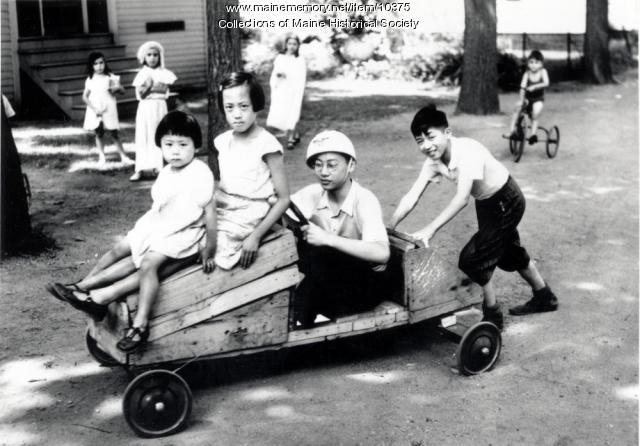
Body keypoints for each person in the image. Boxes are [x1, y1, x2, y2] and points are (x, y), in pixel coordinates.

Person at [46, 111, 216, 352]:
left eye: (182, 145)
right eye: (168, 145)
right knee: (122, 248)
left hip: (185, 233)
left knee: (147, 263)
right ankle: (83, 286)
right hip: (163, 225)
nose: (175, 151)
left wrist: (209, 249)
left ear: (196, 146)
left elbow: (210, 214)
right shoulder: (167, 171)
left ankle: (141, 324)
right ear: (160, 146)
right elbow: (161, 207)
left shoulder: (200, 172)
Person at [389, 104, 558, 330]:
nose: (426, 146)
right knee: (508, 251)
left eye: (430, 136)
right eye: (420, 141)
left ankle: (493, 316)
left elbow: (461, 200)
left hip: (506, 199)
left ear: (447, 133)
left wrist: (430, 229)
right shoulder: (433, 162)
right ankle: (545, 296)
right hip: (487, 202)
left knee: (473, 259)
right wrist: (389, 228)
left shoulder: (466, 152)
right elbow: (412, 196)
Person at [289, 130, 390, 328]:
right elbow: (283, 206)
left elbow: (382, 253)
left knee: (320, 252)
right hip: (336, 276)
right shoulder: (313, 193)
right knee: (301, 243)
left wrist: (327, 238)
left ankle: (306, 313)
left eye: (332, 165)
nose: (324, 172)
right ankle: (303, 308)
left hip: (367, 284)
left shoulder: (364, 200)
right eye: (318, 165)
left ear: (351, 165)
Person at [213, 71, 290, 269]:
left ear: (256, 105)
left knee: (210, 243)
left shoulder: (267, 145)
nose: (237, 114)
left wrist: (255, 237)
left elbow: (283, 199)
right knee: (183, 231)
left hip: (248, 215)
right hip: (223, 207)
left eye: (244, 106)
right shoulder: (223, 142)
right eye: (229, 107)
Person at [130, 41, 177, 182]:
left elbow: (165, 91)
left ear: (160, 57)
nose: (152, 58)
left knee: (160, 134)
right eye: (149, 55)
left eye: (155, 55)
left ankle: (160, 167)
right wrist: (150, 87)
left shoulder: (164, 74)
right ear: (144, 57)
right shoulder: (142, 74)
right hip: (146, 107)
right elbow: (141, 94)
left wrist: (155, 87)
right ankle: (140, 169)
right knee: (144, 135)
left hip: (160, 106)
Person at [82, 51, 132, 166]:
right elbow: (84, 97)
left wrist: (119, 87)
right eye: (95, 64)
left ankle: (124, 156)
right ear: (91, 66)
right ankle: (102, 157)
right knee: (99, 133)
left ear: (105, 63)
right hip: (96, 109)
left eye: (101, 63)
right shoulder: (90, 79)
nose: (99, 66)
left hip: (109, 108)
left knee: (114, 132)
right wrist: (94, 109)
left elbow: (122, 91)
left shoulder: (111, 77)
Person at [266, 35, 307, 150]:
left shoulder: (300, 60)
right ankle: (296, 134)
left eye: (295, 44)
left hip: (294, 89)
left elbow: (301, 76)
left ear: (298, 46)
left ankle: (291, 138)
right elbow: (275, 73)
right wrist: (278, 76)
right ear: (286, 45)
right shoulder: (280, 58)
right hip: (282, 89)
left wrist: (290, 77)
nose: (292, 46)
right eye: (290, 44)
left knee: (293, 111)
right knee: (283, 112)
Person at [509, 50, 549, 145]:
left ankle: (533, 135)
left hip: (538, 99)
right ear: (528, 63)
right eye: (531, 62)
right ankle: (512, 131)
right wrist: (522, 99)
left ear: (541, 64)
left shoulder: (543, 72)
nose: (533, 65)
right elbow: (522, 87)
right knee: (517, 108)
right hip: (527, 98)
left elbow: (546, 83)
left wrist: (535, 86)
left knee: (535, 113)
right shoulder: (527, 74)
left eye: (536, 63)